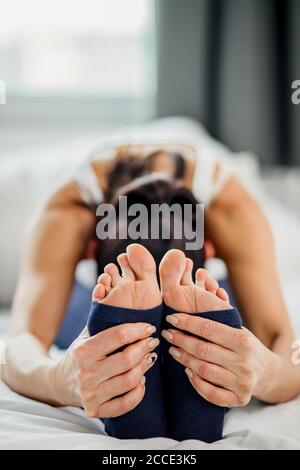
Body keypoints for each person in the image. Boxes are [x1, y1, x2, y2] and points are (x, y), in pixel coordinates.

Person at [2, 143, 299, 441]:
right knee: (85, 328)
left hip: (203, 285)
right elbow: (20, 343)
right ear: (90, 249)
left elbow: (285, 343)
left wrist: (263, 370)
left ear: (211, 247)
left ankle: (147, 319)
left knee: (210, 316)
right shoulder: (68, 211)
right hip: (84, 296)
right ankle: (131, 319)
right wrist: (62, 379)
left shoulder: (230, 207)